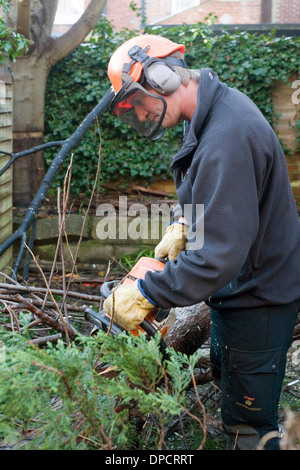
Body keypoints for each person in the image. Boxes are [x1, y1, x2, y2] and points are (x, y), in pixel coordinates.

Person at [103, 34, 300, 450]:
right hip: (243, 290)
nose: (139, 113)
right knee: (236, 406)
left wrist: (145, 292)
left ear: (162, 77)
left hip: (258, 299)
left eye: (137, 101)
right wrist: (185, 222)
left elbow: (216, 259)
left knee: (250, 428)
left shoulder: (227, 136)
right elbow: (223, 197)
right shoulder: (209, 114)